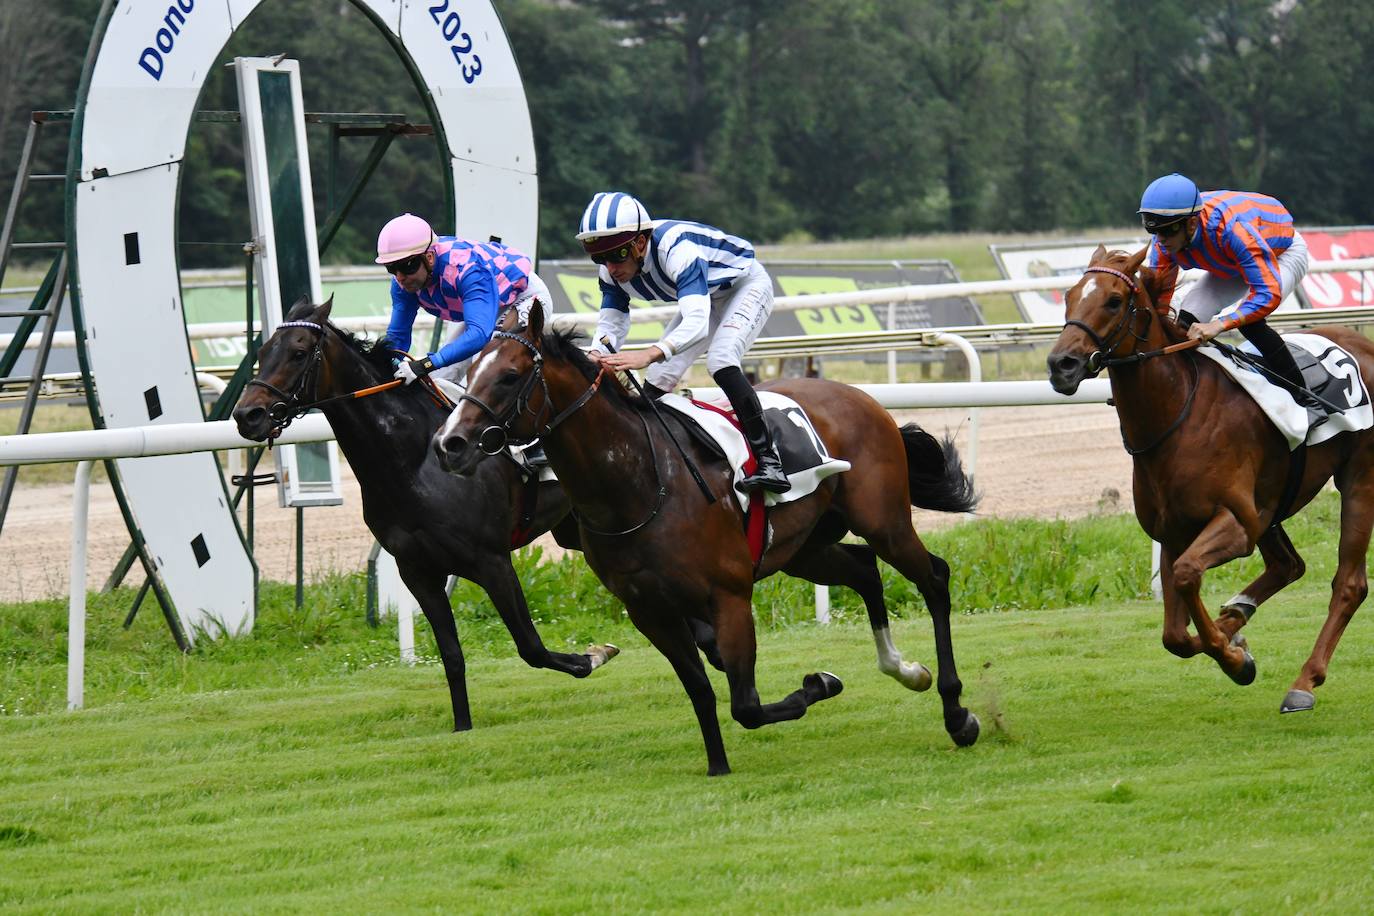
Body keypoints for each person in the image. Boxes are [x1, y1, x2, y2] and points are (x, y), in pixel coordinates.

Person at [576, 191, 790, 495]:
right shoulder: (611, 271)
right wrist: (597, 353)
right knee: (658, 379)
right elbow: (612, 322)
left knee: (721, 360)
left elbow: (697, 323)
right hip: (706, 297)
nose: (610, 267)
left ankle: (770, 460)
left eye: (617, 255)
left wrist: (648, 353)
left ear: (639, 243)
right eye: (600, 257)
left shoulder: (677, 250)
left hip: (744, 286)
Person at [1138, 172, 1311, 399]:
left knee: (1251, 324)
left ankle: (1302, 395)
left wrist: (1218, 325)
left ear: (1191, 224)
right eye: (1154, 230)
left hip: (1281, 253)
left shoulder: (1234, 231)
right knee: (1183, 325)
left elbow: (1267, 294)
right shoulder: (1164, 242)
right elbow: (1159, 305)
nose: (1160, 239)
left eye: (1167, 230)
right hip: (1231, 261)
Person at [375, 213, 552, 385]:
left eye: (407, 266)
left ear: (429, 257)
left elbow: (479, 334)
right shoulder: (401, 284)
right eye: (391, 268)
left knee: (488, 369)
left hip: (524, 296)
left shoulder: (467, 269)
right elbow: (398, 336)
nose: (400, 277)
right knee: (440, 380)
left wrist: (425, 364)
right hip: (486, 304)